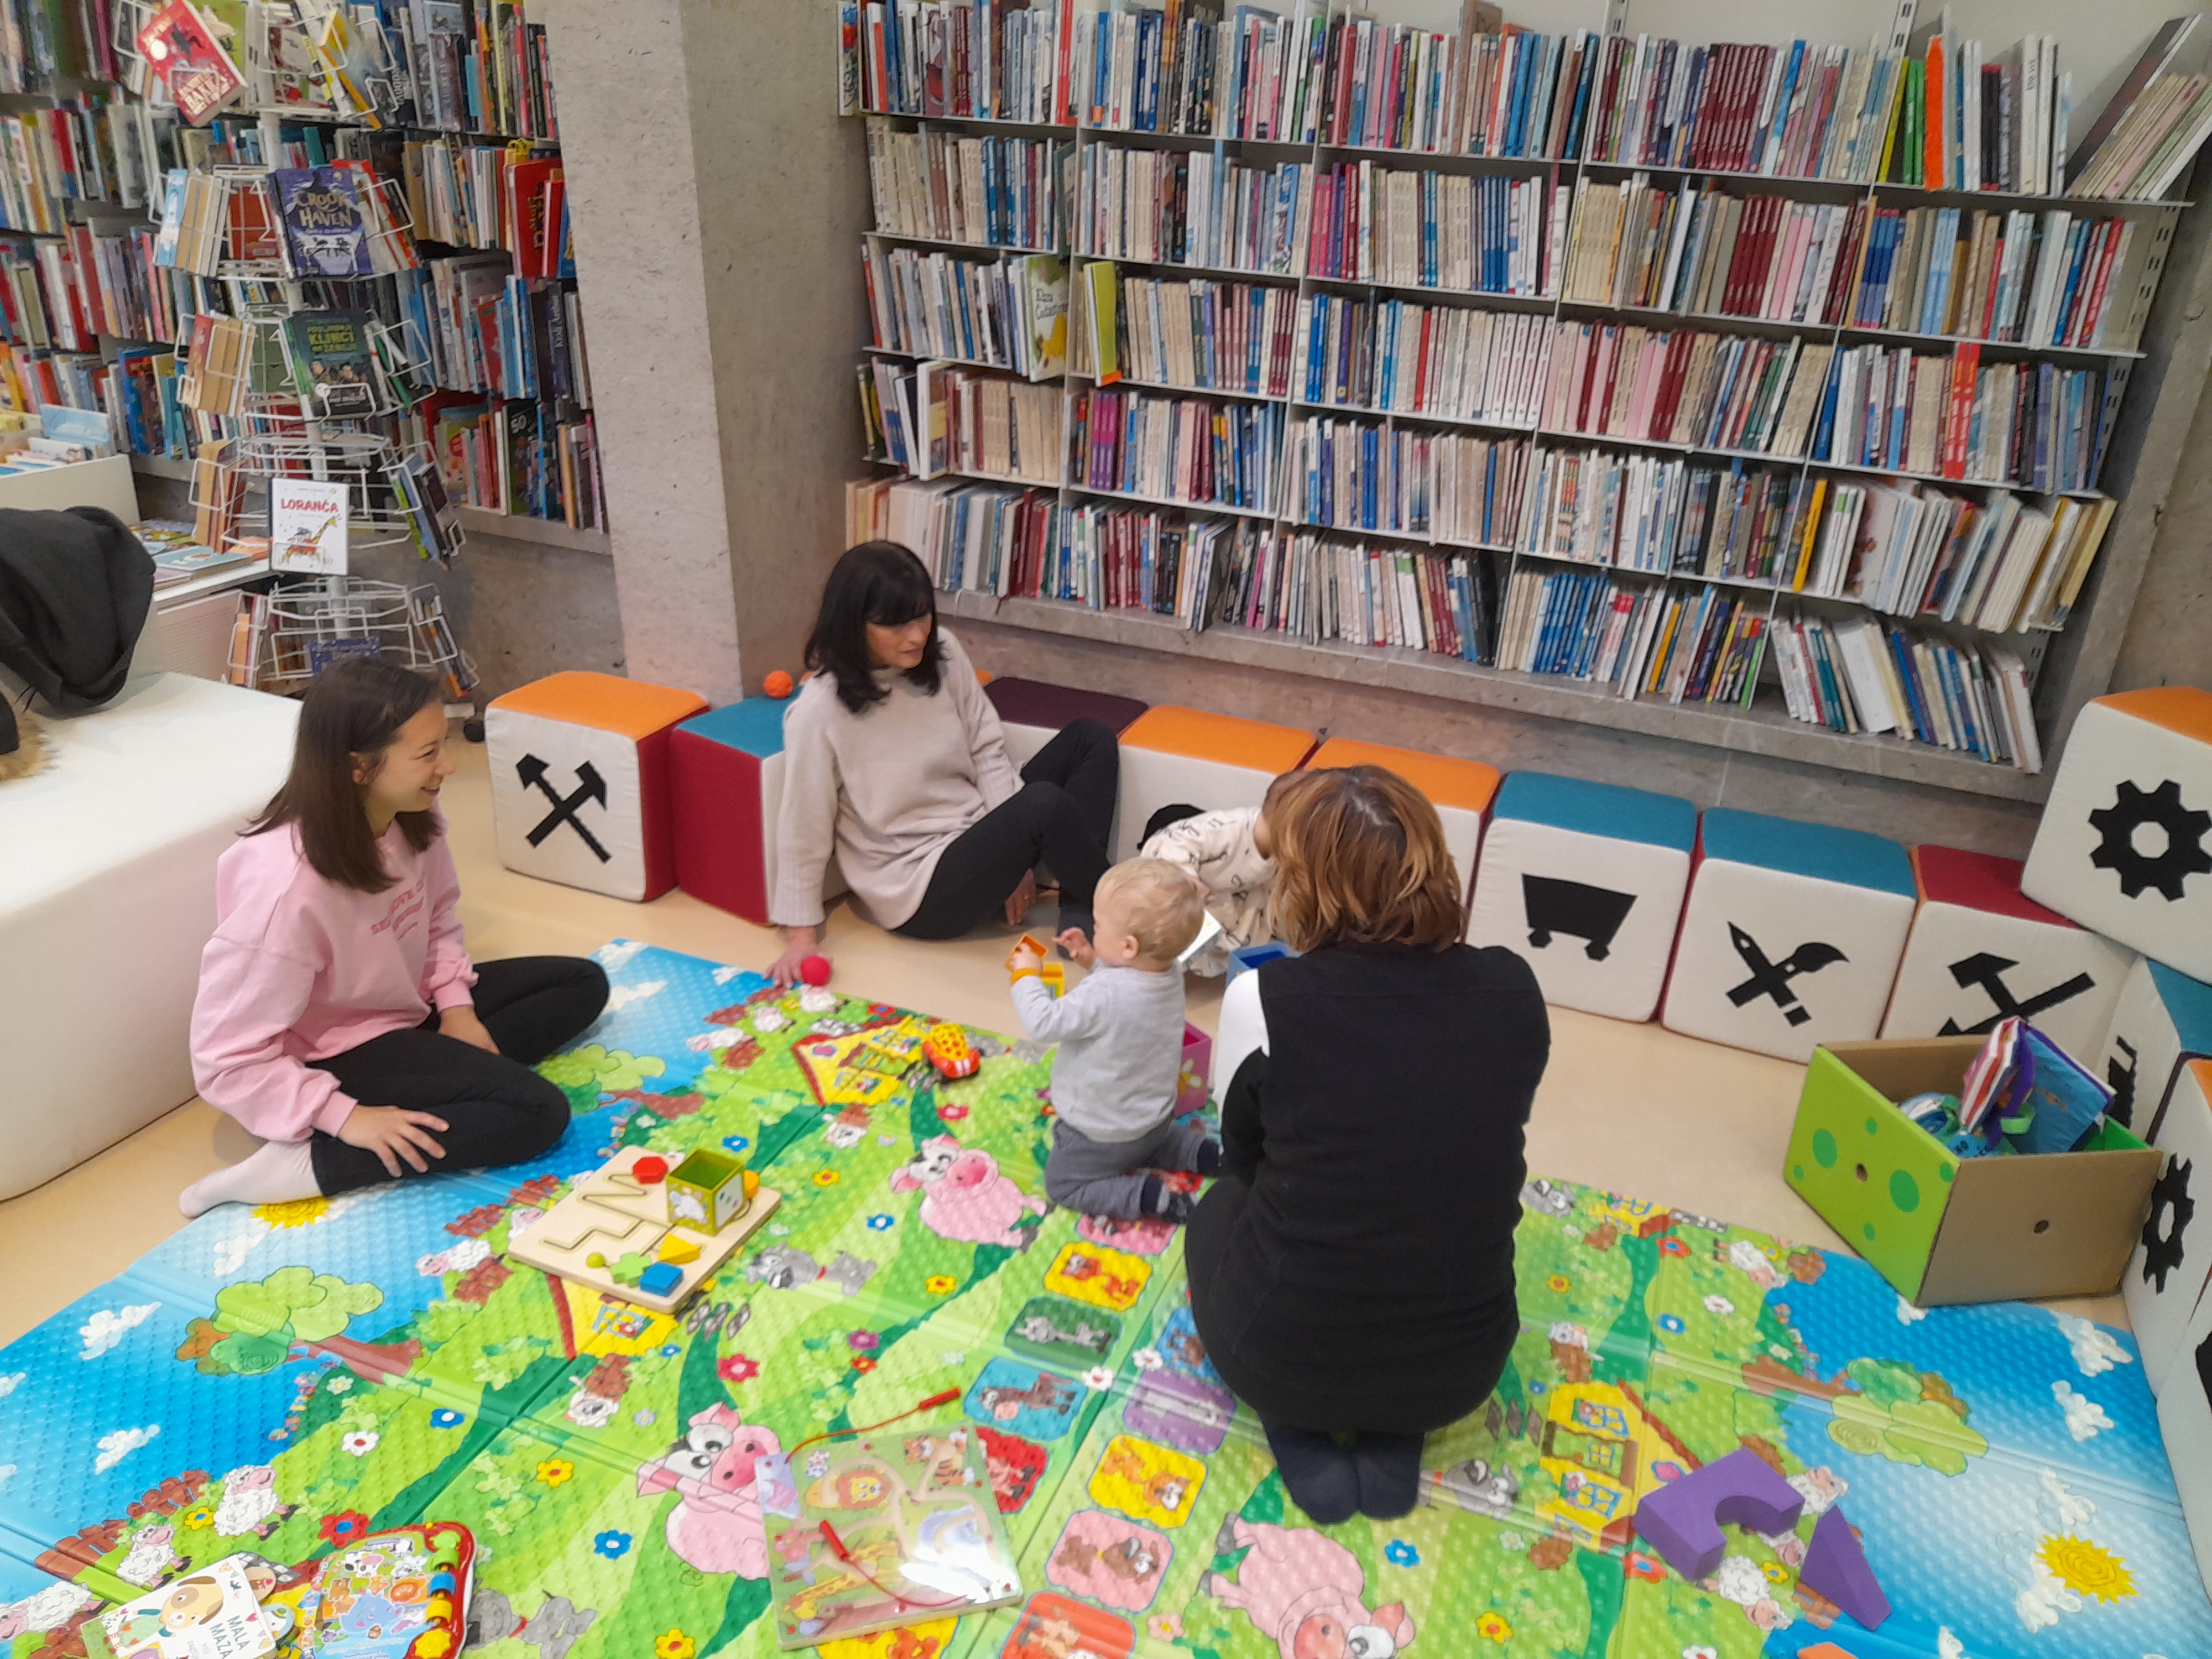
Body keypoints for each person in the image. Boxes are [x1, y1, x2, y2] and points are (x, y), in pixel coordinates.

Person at [1184, 765, 1549, 1525]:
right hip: (1460, 1368)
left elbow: (1241, 1153)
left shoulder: (1265, 997)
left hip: (1278, 1358)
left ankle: (1299, 1422)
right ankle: (1395, 1425)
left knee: (1219, 1207)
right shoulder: (1516, 990)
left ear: (1303, 886)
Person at [180, 660, 608, 1217]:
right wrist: (345, 1118)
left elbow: (440, 917)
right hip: (332, 1053)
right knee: (538, 1114)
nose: (448, 767)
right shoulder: (286, 891)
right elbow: (225, 1058)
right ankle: (312, 1162)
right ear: (359, 767)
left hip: (404, 1010)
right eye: (428, 754)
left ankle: (453, 1084)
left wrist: (457, 1009)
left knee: (580, 983)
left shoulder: (409, 811)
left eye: (443, 745)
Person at [768, 542, 1117, 984]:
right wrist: (800, 937)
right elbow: (804, 825)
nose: (917, 635)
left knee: (1091, 738)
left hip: (975, 834)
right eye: (896, 624)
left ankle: (1082, 911)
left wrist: (1013, 858)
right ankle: (1135, 921)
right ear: (853, 624)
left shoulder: (943, 651)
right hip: (920, 888)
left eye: (922, 616)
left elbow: (986, 751)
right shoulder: (819, 710)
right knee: (1043, 804)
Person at [1011, 859, 1218, 1223]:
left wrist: (1026, 976)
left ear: (1128, 947)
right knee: (1158, 1141)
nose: (1093, 929)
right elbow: (1128, 993)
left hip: (1101, 1134)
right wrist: (1093, 959)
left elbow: (1043, 1023)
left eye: (1098, 925)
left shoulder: (1104, 994)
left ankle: (1147, 1197)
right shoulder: (1169, 972)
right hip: (1155, 1119)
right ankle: (1200, 1153)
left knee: (1063, 1184)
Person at [1135, 771, 1300, 976]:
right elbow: (1170, 844)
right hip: (1186, 897)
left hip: (1235, 910)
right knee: (1171, 941)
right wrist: (1188, 880)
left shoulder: (1283, 855)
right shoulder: (1225, 829)